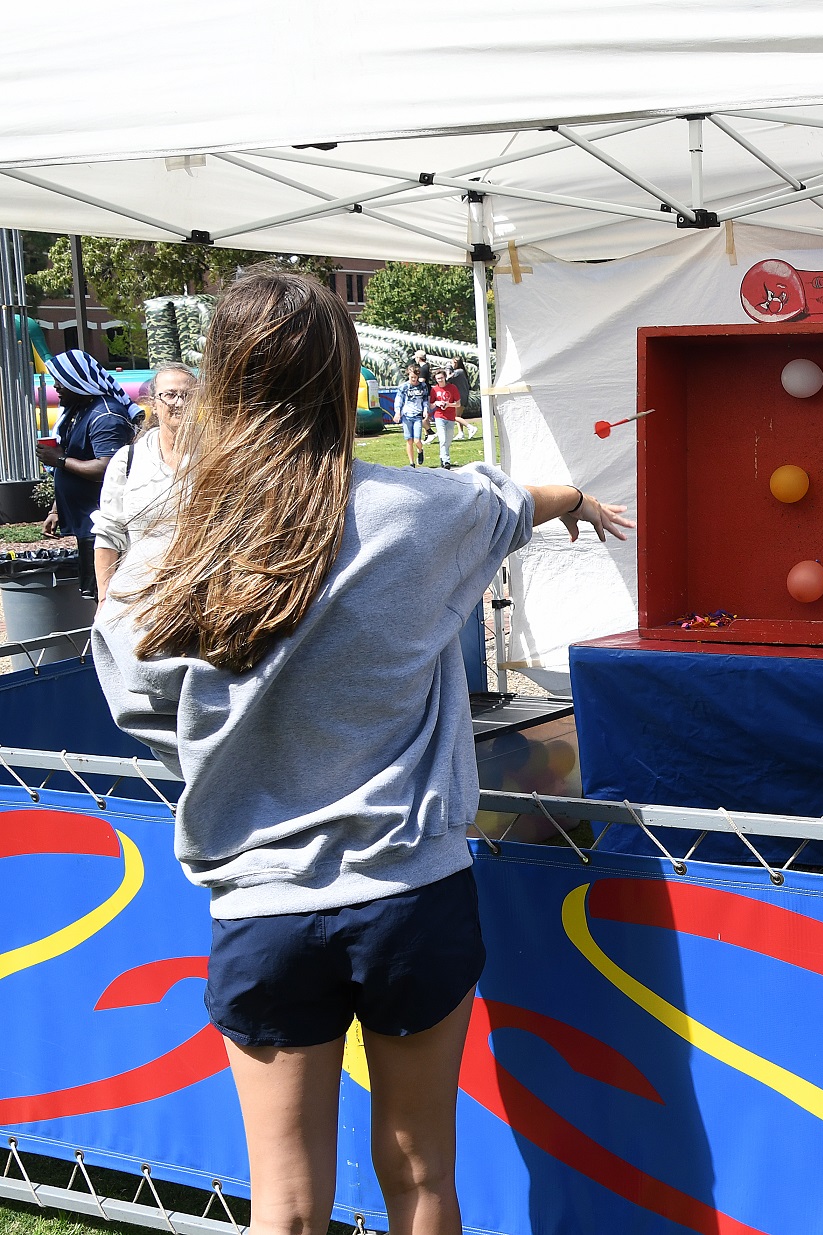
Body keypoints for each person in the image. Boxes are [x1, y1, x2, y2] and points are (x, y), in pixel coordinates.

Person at [91, 270, 633, 1235]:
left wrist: (240, 735)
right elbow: (517, 499)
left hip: (263, 904)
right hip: (410, 896)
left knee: (286, 1205)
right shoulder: (425, 512)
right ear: (346, 383)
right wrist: (576, 497)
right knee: (423, 1176)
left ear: (221, 385)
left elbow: (136, 696)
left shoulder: (172, 546)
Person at [34, 350, 141, 599]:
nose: (56, 387)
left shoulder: (105, 416)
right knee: (95, 593)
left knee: (105, 596)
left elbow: (107, 469)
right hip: (87, 523)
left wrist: (58, 460)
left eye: (61, 380)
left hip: (105, 526)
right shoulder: (80, 410)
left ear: (78, 381)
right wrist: (56, 510)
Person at [93, 362, 195, 599]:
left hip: (201, 597)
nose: (179, 403)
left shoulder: (215, 457)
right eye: (169, 395)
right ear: (154, 405)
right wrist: (103, 599)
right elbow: (108, 533)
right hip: (138, 597)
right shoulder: (128, 460)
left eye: (187, 396)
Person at [397, 367, 431, 467]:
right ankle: (411, 462)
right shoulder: (404, 387)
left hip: (417, 415)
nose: (413, 379)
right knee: (409, 440)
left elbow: (425, 399)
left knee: (417, 440)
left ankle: (420, 450)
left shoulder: (422, 386)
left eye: (415, 377)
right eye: (412, 377)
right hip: (407, 415)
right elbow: (399, 400)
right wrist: (397, 412)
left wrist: (425, 410)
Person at [429, 369, 461, 469]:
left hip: (450, 417)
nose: (440, 380)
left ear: (445, 377)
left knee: (448, 440)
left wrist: (448, 405)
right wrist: (437, 403)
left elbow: (458, 403)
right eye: (438, 379)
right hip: (439, 416)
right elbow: (431, 405)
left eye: (441, 378)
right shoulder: (434, 390)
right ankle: (446, 461)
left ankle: (442, 456)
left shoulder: (452, 388)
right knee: (442, 439)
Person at [444, 357, 479, 440]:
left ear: (456, 363)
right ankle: (461, 433)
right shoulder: (460, 372)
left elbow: (448, 378)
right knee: (458, 415)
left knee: (454, 416)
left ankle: (470, 427)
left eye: (452, 363)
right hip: (461, 396)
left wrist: (448, 367)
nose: (452, 365)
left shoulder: (459, 372)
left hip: (460, 397)